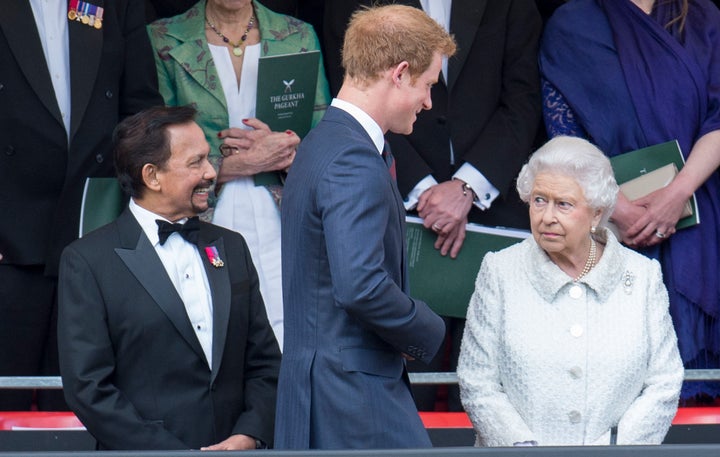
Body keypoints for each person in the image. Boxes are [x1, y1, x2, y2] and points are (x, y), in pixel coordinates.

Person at [275, 5, 456, 450]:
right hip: (352, 401)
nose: (429, 102)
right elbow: (360, 286)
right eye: (428, 84)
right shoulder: (353, 158)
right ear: (399, 73)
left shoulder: (325, 142)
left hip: (324, 392)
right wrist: (429, 330)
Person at [57, 106, 281, 450]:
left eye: (209, 158)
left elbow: (265, 362)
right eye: (196, 162)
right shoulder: (87, 261)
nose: (211, 172)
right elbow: (89, 389)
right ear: (152, 176)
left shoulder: (231, 246)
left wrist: (249, 434)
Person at [539, 0, 720, 403]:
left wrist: (678, 192)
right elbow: (563, 130)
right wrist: (612, 204)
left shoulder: (704, 17)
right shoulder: (572, 22)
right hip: (608, 226)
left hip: (699, 218)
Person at [457, 136, 684, 446]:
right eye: (539, 200)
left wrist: (610, 452)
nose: (547, 216)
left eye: (563, 204)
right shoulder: (499, 271)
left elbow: (664, 382)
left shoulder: (642, 276)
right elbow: (477, 382)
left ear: (596, 213)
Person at [0, 0, 161, 411]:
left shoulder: (116, 5)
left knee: (82, 405)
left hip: (94, 231)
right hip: (8, 236)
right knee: (7, 401)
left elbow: (141, 110)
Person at [148, 0, 331, 349]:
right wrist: (237, 164)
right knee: (212, 340)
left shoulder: (297, 34)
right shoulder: (163, 37)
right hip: (199, 215)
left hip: (285, 218)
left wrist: (285, 153)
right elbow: (157, 150)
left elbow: (322, 139)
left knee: (289, 339)